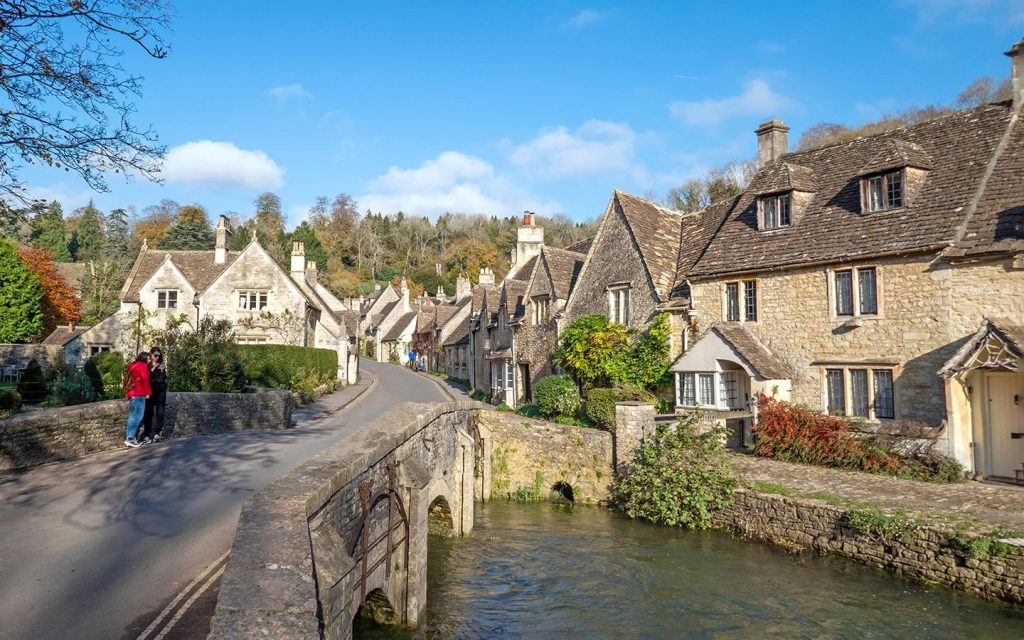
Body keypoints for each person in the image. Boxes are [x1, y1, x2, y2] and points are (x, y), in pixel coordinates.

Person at [140, 347, 167, 444]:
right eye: (155, 355)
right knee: (149, 413)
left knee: (160, 412)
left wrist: (162, 371)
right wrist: (154, 368)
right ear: (151, 355)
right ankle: (147, 434)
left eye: (159, 356)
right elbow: (146, 377)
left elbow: (164, 378)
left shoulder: (161, 364)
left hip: (160, 391)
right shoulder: (147, 364)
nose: (157, 357)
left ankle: (157, 433)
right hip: (150, 391)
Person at [124, 352, 151, 448]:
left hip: (132, 393)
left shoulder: (133, 366)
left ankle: (130, 437)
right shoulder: (143, 366)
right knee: (138, 416)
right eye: (148, 359)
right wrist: (148, 392)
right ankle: (130, 438)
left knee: (132, 416)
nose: (149, 360)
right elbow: (145, 380)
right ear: (144, 359)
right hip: (139, 394)